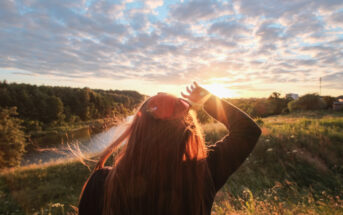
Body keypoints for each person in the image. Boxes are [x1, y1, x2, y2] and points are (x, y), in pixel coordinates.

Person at [78, 82, 261, 215]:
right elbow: (247, 131)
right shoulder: (202, 172)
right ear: (188, 130)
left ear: (137, 130)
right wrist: (208, 99)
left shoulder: (101, 183)